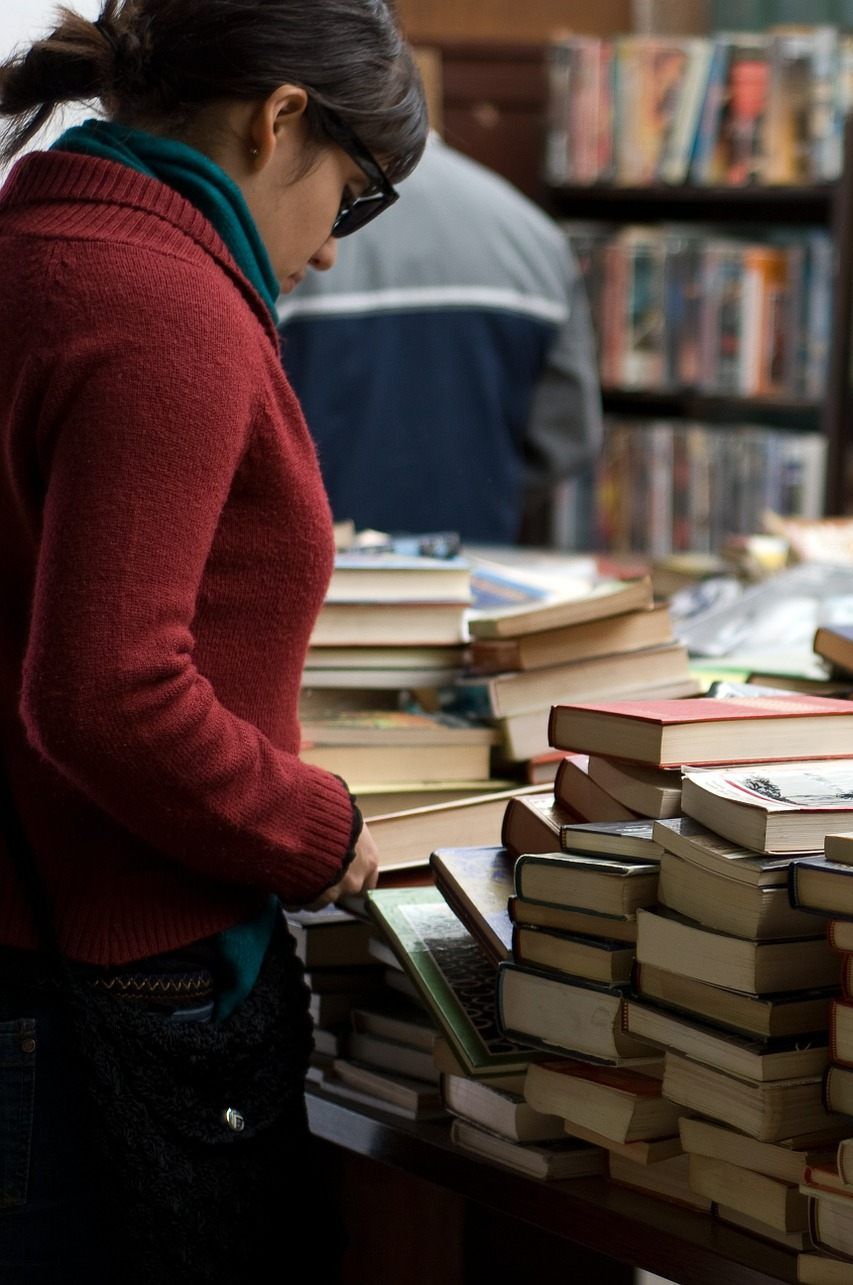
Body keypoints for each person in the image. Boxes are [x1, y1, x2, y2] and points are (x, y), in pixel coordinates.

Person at [0, 1, 425, 1279]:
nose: (336, 253)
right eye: (351, 200)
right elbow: (107, 692)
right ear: (280, 118)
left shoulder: (39, 248)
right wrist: (314, 828)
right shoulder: (164, 305)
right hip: (103, 989)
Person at [278, 132, 602, 545]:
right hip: (472, 569)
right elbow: (565, 437)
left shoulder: (292, 237)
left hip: (321, 571)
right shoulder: (534, 237)